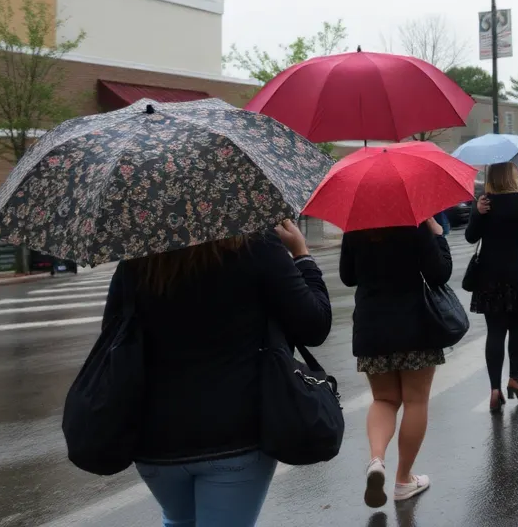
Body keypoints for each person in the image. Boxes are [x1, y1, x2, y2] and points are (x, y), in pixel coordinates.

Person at [103, 220, 331, 526]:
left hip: (154, 439)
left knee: (178, 521)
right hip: (236, 436)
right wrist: (301, 255)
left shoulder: (139, 259)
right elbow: (314, 325)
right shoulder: (257, 246)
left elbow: (113, 338)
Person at [342, 216, 452, 507]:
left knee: (384, 400)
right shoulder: (414, 223)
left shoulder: (356, 224)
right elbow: (439, 273)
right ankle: (404, 480)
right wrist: (438, 235)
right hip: (414, 325)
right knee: (416, 401)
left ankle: (376, 459)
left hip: (371, 326)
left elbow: (347, 276)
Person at [465, 162, 518, 413]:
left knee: (494, 332)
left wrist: (478, 212)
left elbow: (471, 237)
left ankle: (494, 388)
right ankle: (514, 378)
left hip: (489, 277)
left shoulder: (485, 202)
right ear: (512, 175)